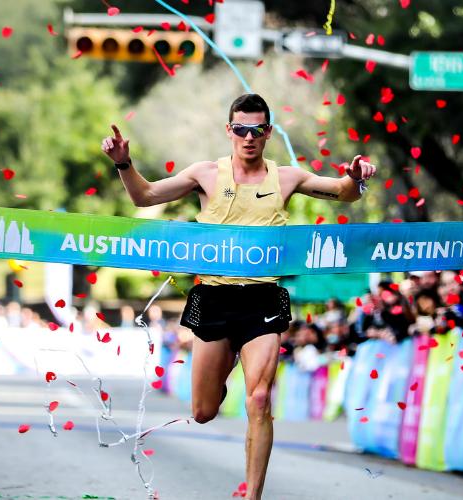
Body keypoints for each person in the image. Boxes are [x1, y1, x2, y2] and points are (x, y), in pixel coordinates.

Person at [101, 93, 375, 499]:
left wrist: (356, 175)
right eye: (241, 129)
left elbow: (344, 192)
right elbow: (145, 196)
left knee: (260, 398)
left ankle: (252, 496)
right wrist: (124, 163)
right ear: (229, 131)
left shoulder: (285, 178)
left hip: (262, 300)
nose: (249, 137)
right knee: (203, 411)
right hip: (214, 300)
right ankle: (224, 367)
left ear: (268, 132)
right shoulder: (207, 174)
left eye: (257, 130)